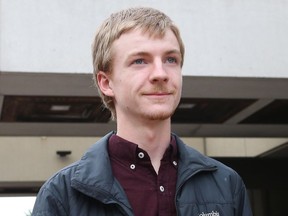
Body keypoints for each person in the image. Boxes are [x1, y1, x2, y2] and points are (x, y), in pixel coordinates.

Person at [32, 7, 252, 216]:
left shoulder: (227, 184)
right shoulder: (62, 194)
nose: (161, 73)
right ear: (106, 83)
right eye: (140, 61)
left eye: (170, 59)